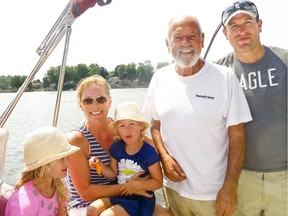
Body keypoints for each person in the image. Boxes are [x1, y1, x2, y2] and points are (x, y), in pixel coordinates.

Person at [142, 15, 253, 216]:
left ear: (202, 40)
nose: (185, 43)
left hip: (213, 195)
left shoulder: (225, 78)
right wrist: (164, 157)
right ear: (168, 44)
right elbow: (154, 125)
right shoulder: (160, 77)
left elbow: (238, 135)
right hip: (173, 191)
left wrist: (230, 187)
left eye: (191, 36)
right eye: (178, 37)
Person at [216, 1, 287, 215]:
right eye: (233, 26)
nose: (241, 31)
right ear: (225, 33)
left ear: (260, 25)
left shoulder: (285, 60)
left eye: (247, 22)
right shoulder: (217, 73)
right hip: (240, 178)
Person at [66, 75, 171, 216]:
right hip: (89, 203)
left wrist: (144, 183)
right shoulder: (77, 140)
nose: (95, 105)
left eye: (101, 99)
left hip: (128, 195)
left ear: (109, 102)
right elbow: (85, 193)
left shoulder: (123, 129)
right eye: (88, 101)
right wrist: (129, 187)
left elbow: (148, 145)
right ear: (81, 106)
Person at [86, 101, 163, 216]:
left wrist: (137, 185)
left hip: (139, 198)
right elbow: (113, 175)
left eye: (132, 124)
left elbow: (158, 182)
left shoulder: (148, 152)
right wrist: (100, 165)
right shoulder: (117, 148)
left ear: (141, 126)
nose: (127, 130)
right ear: (117, 130)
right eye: (122, 126)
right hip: (120, 193)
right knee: (91, 210)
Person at [4, 126, 80, 216]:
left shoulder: (57, 186)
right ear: (44, 165)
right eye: (62, 158)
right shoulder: (25, 202)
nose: (68, 162)